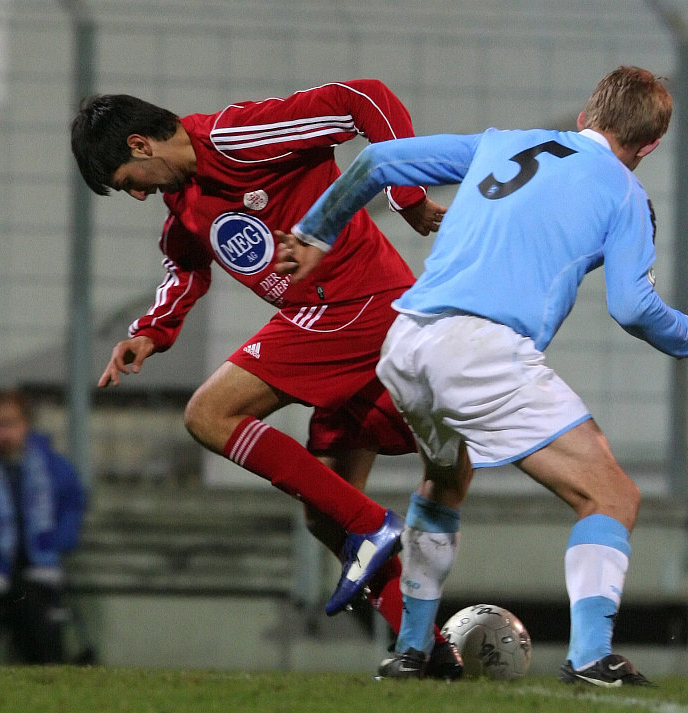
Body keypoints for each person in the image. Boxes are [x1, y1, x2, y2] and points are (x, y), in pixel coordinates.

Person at [275, 66, 688, 684]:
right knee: (610, 495)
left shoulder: (502, 141)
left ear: (587, 115)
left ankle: (411, 649)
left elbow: (375, 160)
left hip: (406, 342)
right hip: (480, 348)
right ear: (649, 147)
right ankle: (590, 658)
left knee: (445, 479)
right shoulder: (625, 193)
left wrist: (316, 230)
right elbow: (633, 307)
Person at [69, 80, 462, 678]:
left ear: (141, 145)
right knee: (323, 512)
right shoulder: (186, 201)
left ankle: (375, 524)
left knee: (209, 414)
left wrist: (408, 197)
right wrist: (151, 330)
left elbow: (367, 99)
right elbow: (184, 260)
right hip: (338, 320)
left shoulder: (237, 136)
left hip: (354, 306)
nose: (138, 196)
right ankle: (427, 651)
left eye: (127, 182)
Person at [0, 388, 87, 663]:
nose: (3, 434)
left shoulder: (53, 468)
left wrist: (57, 542)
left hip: (38, 572)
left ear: (25, 424)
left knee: (35, 609)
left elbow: (72, 506)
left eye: (9, 424)